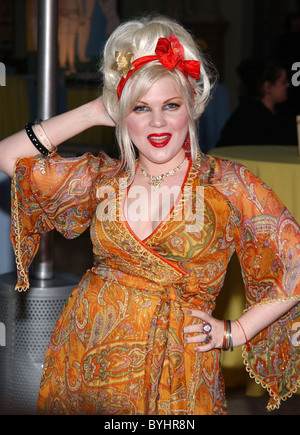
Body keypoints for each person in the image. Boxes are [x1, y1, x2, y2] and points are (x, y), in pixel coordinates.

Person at [0, 15, 299, 415]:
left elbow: (295, 259)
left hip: (177, 371)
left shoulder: (229, 184)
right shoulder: (104, 177)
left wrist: (235, 332)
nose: (157, 123)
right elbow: (8, 156)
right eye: (140, 108)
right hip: (85, 355)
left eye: (170, 105)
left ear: (191, 105)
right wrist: (90, 112)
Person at [217, 59, 298, 147]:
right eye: (283, 82)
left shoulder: (283, 113)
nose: (288, 85)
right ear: (267, 86)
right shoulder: (246, 119)